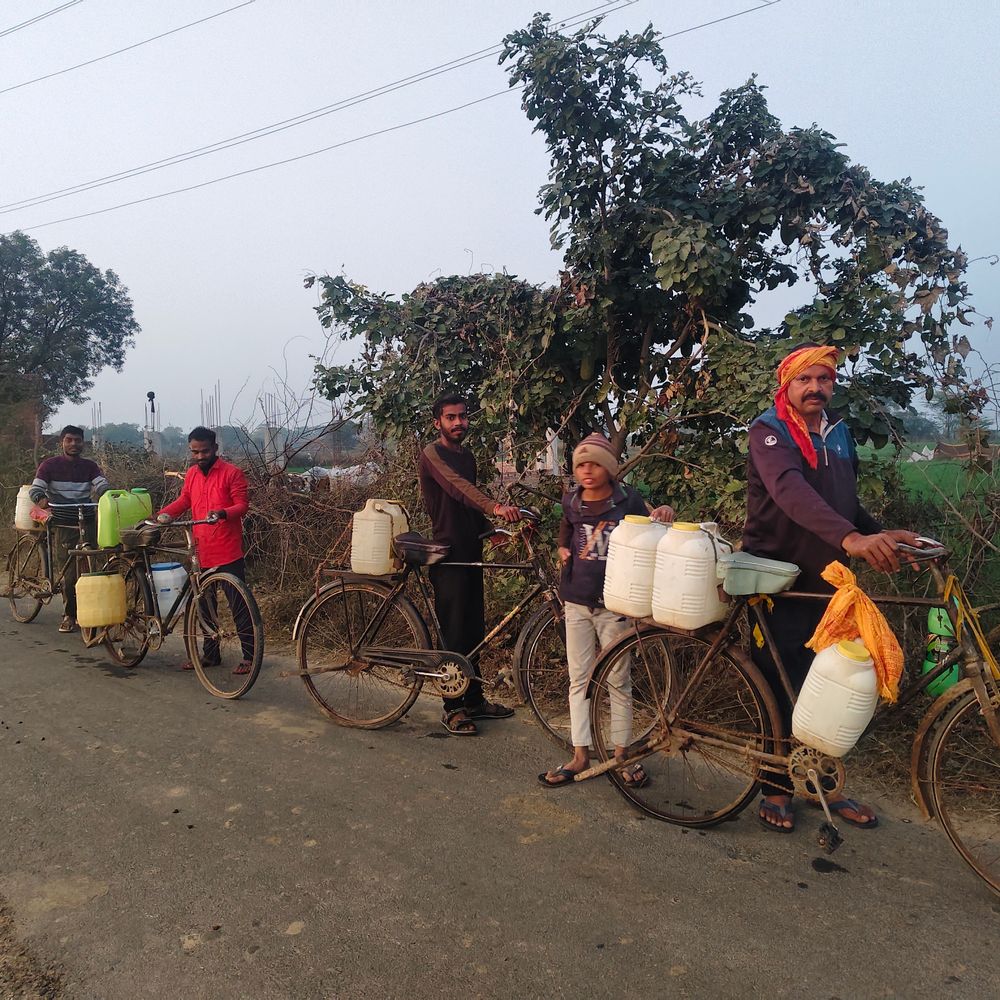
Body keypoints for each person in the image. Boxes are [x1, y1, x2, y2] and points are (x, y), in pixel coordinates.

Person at [743, 343, 921, 832]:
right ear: (788, 385)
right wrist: (853, 538)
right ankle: (776, 787)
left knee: (831, 689)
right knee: (778, 688)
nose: (816, 388)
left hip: (829, 583)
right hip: (777, 579)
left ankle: (824, 783)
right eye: (806, 379)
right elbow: (790, 493)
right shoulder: (770, 431)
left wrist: (879, 535)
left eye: (825, 379)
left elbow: (845, 504)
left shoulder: (839, 435)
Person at [538, 433, 674, 787]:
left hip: (614, 605)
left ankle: (621, 754)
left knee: (618, 680)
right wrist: (563, 550)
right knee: (579, 679)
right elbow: (565, 530)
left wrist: (663, 513)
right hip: (576, 601)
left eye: (595, 463)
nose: (587, 470)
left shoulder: (627, 499)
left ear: (610, 469)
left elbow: (654, 523)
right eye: (581, 464)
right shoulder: (572, 500)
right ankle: (581, 752)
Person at [417, 392, 521, 736]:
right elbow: (459, 489)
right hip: (446, 554)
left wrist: (490, 530)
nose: (458, 422)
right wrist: (494, 507)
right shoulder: (434, 454)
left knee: (474, 630)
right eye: (451, 417)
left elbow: (468, 503)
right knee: (454, 632)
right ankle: (453, 708)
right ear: (438, 423)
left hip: (470, 551)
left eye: (462, 416)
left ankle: (474, 698)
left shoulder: (468, 456)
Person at [156, 427, 255, 673]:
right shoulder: (191, 474)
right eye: (195, 452)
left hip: (228, 551)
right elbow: (185, 501)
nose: (200, 456)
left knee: (239, 606)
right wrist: (162, 515)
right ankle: (210, 655)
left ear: (215, 449)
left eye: (205, 451)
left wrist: (223, 513)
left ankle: (250, 657)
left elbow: (242, 505)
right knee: (203, 605)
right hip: (201, 551)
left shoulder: (232, 473)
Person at [29, 425, 110, 632]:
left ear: (83, 443)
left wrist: (109, 494)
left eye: (77, 440)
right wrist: (41, 499)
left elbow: (100, 484)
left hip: (88, 519)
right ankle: (69, 615)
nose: (74, 444)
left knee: (94, 567)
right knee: (70, 573)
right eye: (69, 440)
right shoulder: (50, 465)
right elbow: (36, 488)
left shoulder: (89, 466)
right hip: (64, 521)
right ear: (62, 443)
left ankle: (94, 612)